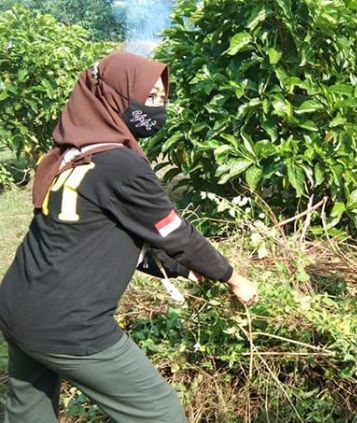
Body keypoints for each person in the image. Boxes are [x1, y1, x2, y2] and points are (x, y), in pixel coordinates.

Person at [0, 52, 258, 422]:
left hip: (17, 305)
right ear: (116, 96)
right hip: (69, 323)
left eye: (161, 99)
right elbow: (175, 233)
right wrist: (232, 277)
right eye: (148, 97)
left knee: (28, 411)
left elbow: (101, 239)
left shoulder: (72, 155)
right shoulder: (120, 164)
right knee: (160, 413)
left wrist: (183, 270)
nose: (156, 107)